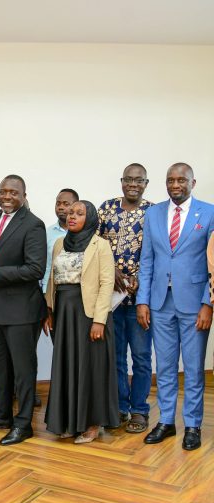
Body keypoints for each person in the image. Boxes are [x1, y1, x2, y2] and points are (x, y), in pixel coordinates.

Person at [137, 163, 214, 451]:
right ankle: (166, 421)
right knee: (165, 366)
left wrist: (209, 303)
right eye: (170, 180)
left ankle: (192, 425)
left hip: (195, 304)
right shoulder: (154, 213)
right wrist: (143, 300)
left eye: (181, 179)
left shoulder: (209, 213)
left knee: (193, 369)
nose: (175, 184)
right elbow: (147, 261)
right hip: (159, 302)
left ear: (193, 182)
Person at [0, 175, 46, 445]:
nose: (7, 196)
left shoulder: (34, 225)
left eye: (13, 192)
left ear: (24, 195)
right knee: (1, 368)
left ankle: (23, 423)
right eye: (3, 191)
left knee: (23, 370)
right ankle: (3, 415)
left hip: (22, 310)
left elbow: (35, 269)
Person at [44, 201, 119, 443]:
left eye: (79, 213)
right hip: (64, 311)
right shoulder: (58, 244)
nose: (71, 216)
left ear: (91, 218)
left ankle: (92, 424)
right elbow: (52, 279)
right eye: (70, 213)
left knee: (91, 368)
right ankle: (69, 422)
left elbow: (107, 284)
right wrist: (49, 310)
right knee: (67, 365)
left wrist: (100, 320)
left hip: (89, 313)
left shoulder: (101, 245)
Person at [98, 164, 153, 433]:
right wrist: (113, 270)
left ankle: (140, 410)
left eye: (138, 180)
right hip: (111, 298)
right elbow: (94, 246)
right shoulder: (107, 208)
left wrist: (139, 277)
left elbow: (158, 251)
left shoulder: (154, 212)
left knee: (141, 357)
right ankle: (120, 407)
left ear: (146, 183)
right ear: (122, 182)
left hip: (141, 299)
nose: (133, 184)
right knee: (116, 357)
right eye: (128, 180)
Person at [42, 189, 79, 293]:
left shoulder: (84, 234)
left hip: (77, 292)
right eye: (58, 204)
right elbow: (44, 263)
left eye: (66, 204)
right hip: (49, 290)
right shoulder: (47, 233)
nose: (61, 207)